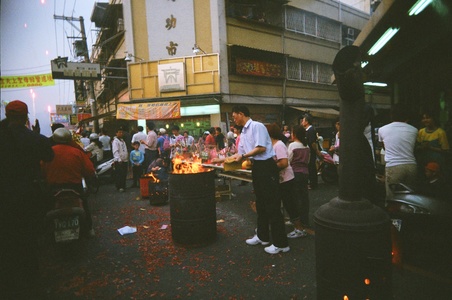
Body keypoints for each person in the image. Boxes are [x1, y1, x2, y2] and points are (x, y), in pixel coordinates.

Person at [0, 100, 54, 299]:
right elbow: (49, 156)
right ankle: (31, 281)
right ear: (25, 117)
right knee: (29, 239)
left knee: (7, 240)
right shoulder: (34, 138)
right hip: (28, 196)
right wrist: (36, 133)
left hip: (4, 197)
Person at [232, 105, 289, 254]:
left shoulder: (257, 126)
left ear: (241, 114)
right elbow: (241, 153)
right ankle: (262, 236)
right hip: (257, 167)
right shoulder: (243, 132)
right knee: (261, 203)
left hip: (267, 166)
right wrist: (221, 159)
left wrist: (243, 156)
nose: (233, 119)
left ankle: (281, 244)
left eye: (234, 116)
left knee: (272, 204)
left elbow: (261, 148)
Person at [41, 128, 96, 236]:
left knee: (46, 206)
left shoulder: (48, 153)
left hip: (53, 188)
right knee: (84, 205)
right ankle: (89, 229)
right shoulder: (77, 152)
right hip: (75, 187)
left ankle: (44, 233)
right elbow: (90, 170)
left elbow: (41, 171)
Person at [266, 123, 306, 239]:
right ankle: (290, 224)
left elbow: (283, 163)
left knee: (290, 203)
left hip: (286, 179)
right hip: (279, 179)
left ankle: (299, 229)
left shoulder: (278, 145)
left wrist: (269, 166)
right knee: (281, 203)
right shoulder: (271, 145)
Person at [378, 104, 418, 200]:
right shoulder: (414, 130)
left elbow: (384, 147)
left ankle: (392, 215)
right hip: (411, 166)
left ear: (391, 115)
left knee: (392, 197)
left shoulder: (382, 129)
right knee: (410, 198)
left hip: (394, 166)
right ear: (407, 117)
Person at [287, 125, 311, 235]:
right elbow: (308, 161)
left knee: (295, 198)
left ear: (295, 134)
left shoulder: (292, 145)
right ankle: (305, 221)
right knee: (304, 197)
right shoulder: (306, 147)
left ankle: (298, 223)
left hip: (294, 173)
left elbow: (288, 160)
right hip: (305, 173)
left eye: (292, 132)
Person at [301, 114, 322, 189]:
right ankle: (311, 183)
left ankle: (313, 184)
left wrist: (317, 151)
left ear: (307, 122)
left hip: (311, 152)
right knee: (310, 167)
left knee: (312, 167)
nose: (302, 122)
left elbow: (312, 143)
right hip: (308, 152)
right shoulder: (308, 130)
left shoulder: (311, 130)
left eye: (303, 120)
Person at [112, 128, 129, 192]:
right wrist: (119, 159)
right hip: (119, 161)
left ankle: (123, 185)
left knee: (124, 174)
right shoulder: (115, 141)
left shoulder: (122, 141)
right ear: (116, 133)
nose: (121, 133)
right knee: (119, 174)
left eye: (122, 132)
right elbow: (115, 151)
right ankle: (120, 186)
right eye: (119, 132)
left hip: (124, 160)